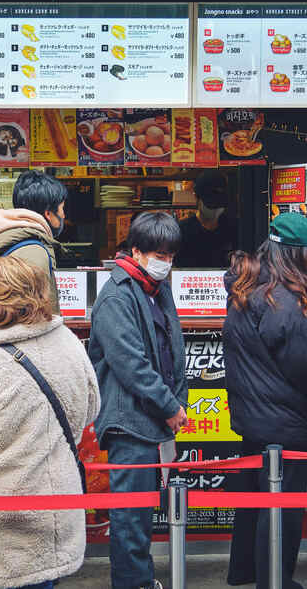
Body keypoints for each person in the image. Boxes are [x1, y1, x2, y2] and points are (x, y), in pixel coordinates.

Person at [0, 256, 100, 589]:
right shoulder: (69, 342)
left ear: (4, 302)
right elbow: (91, 409)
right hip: (56, 509)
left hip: (2, 519)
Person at [223, 213, 307, 589]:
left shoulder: (246, 288)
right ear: (295, 255)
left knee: (251, 499)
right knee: (282, 505)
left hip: (250, 417)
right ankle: (275, 579)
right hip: (284, 420)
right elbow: (303, 367)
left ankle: (243, 571)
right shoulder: (285, 303)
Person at [88, 211, 187, 589]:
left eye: (171, 255)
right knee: (131, 515)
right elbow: (131, 364)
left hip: (152, 419)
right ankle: (134, 584)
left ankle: (141, 580)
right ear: (136, 251)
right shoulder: (116, 296)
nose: (166, 262)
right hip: (128, 420)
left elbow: (171, 348)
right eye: (159, 254)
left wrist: (174, 402)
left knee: (142, 512)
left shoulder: (155, 289)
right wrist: (170, 406)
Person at [0, 170, 65, 313]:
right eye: (62, 209)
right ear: (48, 213)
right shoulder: (34, 252)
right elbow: (30, 319)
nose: (63, 215)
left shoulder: (4, 238)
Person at [175, 171, 238, 269]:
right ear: (196, 198)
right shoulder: (182, 231)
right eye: (211, 206)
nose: (215, 211)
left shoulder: (234, 228)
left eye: (219, 206)